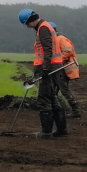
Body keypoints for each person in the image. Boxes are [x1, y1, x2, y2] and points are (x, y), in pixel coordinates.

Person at [18, 9, 68, 139]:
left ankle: (46, 132)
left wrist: (45, 69)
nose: (27, 27)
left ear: (31, 20)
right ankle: (62, 130)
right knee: (52, 98)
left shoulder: (43, 29)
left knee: (44, 99)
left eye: (26, 24)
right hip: (54, 66)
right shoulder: (45, 26)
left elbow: (47, 50)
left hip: (50, 68)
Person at [49, 22, 81, 118]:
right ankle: (54, 108)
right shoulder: (55, 40)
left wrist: (58, 60)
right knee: (54, 88)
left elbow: (68, 50)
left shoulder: (60, 39)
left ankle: (75, 110)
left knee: (64, 90)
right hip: (60, 68)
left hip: (64, 68)